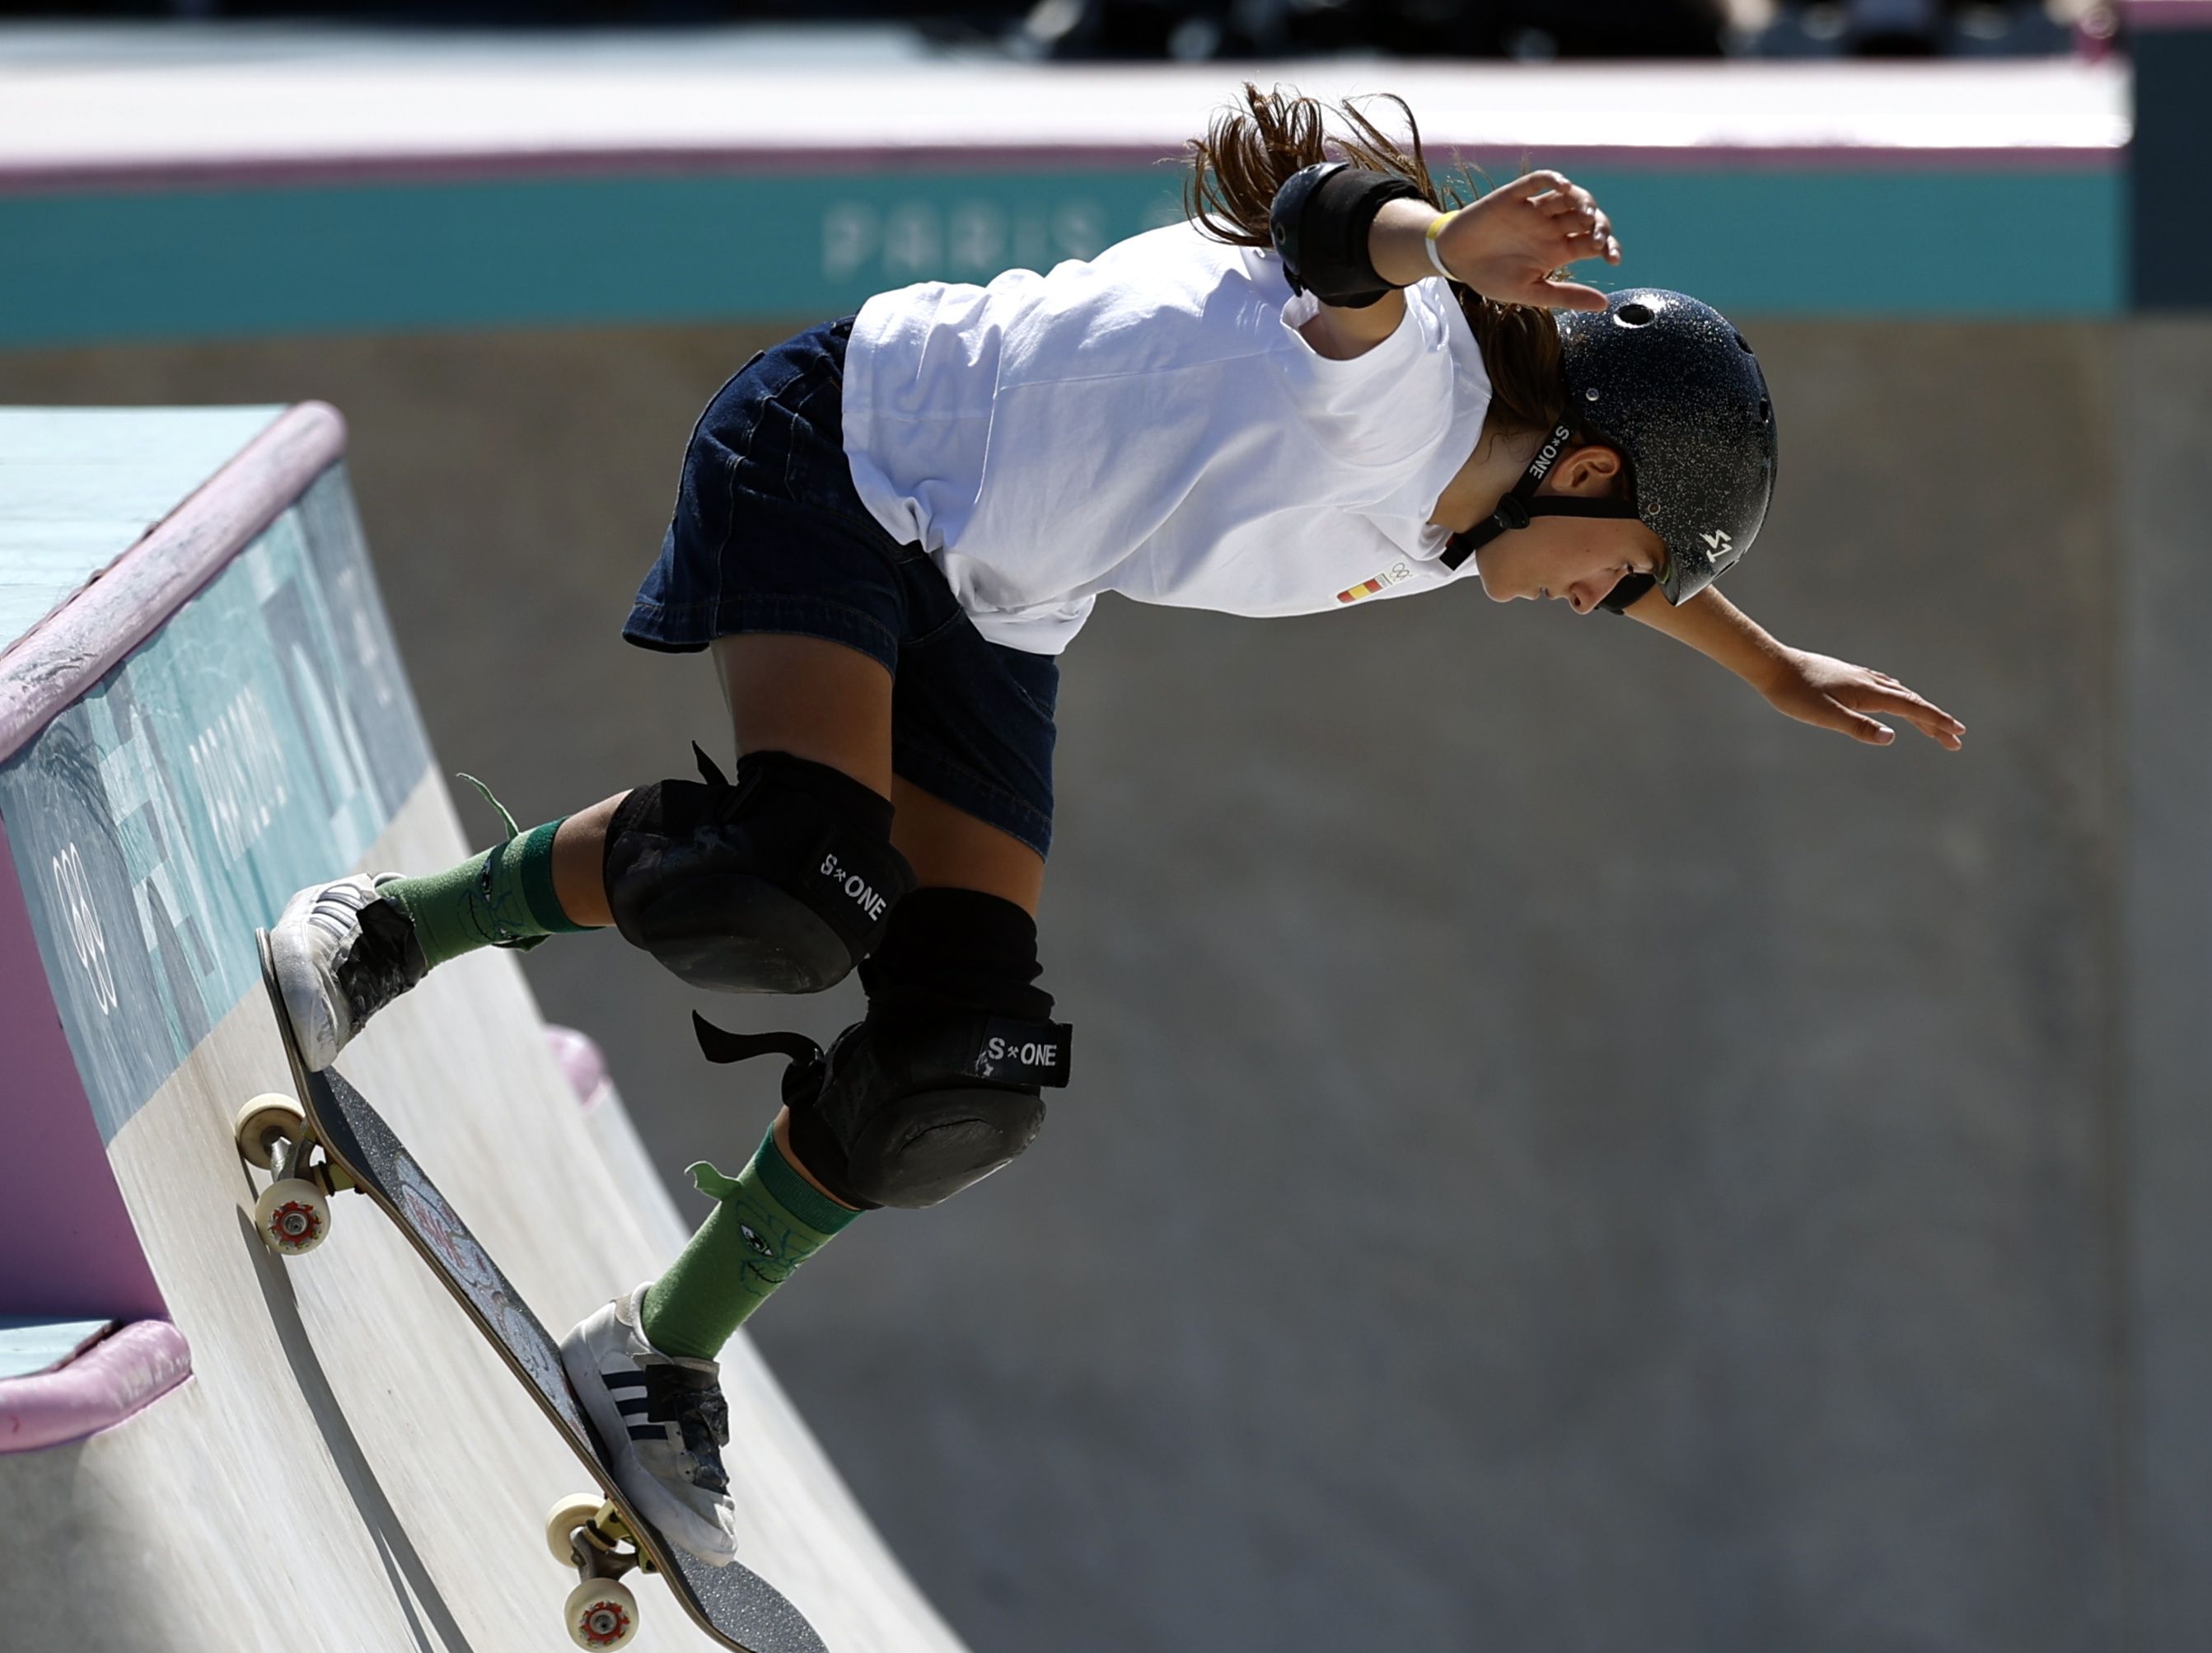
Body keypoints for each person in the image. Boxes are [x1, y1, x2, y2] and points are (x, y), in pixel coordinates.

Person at [260, 86, 1962, 1576]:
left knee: (967, 1063)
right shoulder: (1400, 390)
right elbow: (1323, 233)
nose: (1605, 610)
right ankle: (400, 922)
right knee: (792, 885)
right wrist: (1450, 243)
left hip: (1003, 604)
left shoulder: (1476, 518)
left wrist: (1763, 659)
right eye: (1630, 579)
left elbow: (1611, 553)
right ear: (1583, 475)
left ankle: (657, 1353)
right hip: (847, 460)